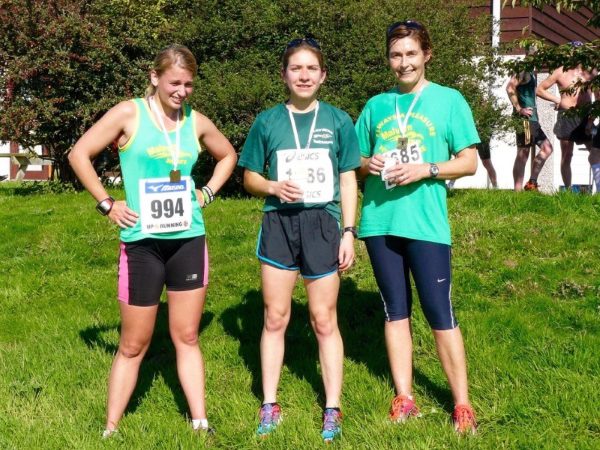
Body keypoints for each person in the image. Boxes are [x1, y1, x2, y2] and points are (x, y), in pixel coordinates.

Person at [68, 44, 237, 438]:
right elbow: (79, 154)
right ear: (154, 77)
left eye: (189, 84)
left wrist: (207, 192)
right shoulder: (130, 113)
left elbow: (228, 155)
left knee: (187, 336)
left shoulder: (195, 121)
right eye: (175, 82)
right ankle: (111, 428)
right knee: (133, 344)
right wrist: (107, 204)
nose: (182, 91)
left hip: (188, 239)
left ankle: (200, 422)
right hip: (142, 242)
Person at [355, 20, 478, 435]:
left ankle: (461, 404)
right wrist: (366, 163)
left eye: (410, 53)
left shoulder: (449, 101)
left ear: (426, 55)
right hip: (379, 221)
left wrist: (427, 168)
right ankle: (404, 397)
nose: (403, 62)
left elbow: (468, 161)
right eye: (395, 54)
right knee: (395, 312)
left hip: (426, 225)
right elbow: (355, 158)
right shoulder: (375, 105)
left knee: (440, 312)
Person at [238, 37, 360, 443]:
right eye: (296, 68)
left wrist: (348, 231)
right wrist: (272, 187)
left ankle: (332, 407)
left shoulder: (340, 120)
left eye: (312, 68)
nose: (304, 75)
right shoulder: (267, 121)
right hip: (279, 224)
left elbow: (348, 178)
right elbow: (249, 177)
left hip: (323, 225)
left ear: (323, 76)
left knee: (324, 319)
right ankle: (270, 402)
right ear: (284, 74)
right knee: (275, 317)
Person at [536, 42, 595, 190]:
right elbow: (540, 89)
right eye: (572, 52)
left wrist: (591, 120)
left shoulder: (589, 73)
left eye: (578, 52)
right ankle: (568, 190)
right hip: (567, 116)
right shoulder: (560, 71)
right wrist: (558, 100)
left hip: (585, 115)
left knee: (595, 151)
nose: (575, 54)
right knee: (567, 155)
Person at [506, 61, 554, 191]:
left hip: (533, 120)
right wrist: (519, 109)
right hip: (524, 119)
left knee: (547, 148)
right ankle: (517, 191)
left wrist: (556, 100)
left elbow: (536, 93)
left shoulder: (531, 72)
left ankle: (531, 182)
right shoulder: (523, 70)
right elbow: (510, 88)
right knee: (523, 153)